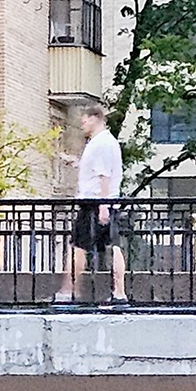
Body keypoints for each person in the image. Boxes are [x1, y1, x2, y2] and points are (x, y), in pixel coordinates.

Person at [53, 103, 127, 307]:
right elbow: (99, 172)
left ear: (95, 118)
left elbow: (104, 175)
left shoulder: (100, 143)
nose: (82, 125)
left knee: (78, 246)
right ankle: (118, 292)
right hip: (105, 202)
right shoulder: (105, 142)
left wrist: (102, 205)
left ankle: (69, 291)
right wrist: (77, 163)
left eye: (84, 121)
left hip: (95, 203)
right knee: (113, 246)